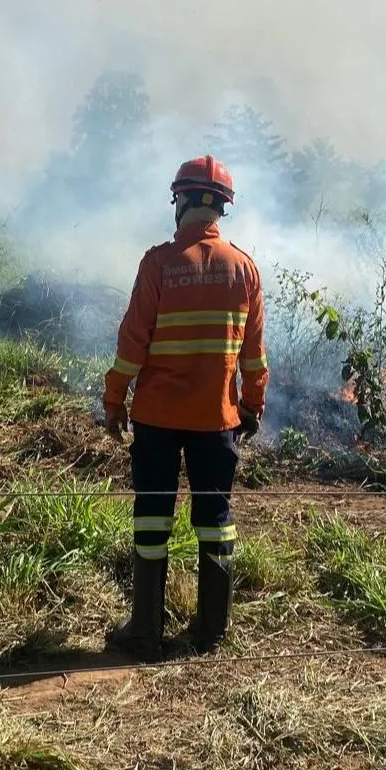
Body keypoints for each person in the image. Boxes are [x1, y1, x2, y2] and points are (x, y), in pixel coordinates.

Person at [102, 155, 269, 663]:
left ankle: (145, 629)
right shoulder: (245, 269)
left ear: (180, 202)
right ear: (220, 208)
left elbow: (133, 342)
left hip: (155, 418)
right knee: (215, 518)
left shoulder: (158, 263)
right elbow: (254, 355)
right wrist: (252, 405)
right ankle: (211, 629)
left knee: (152, 517)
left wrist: (115, 399)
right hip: (216, 420)